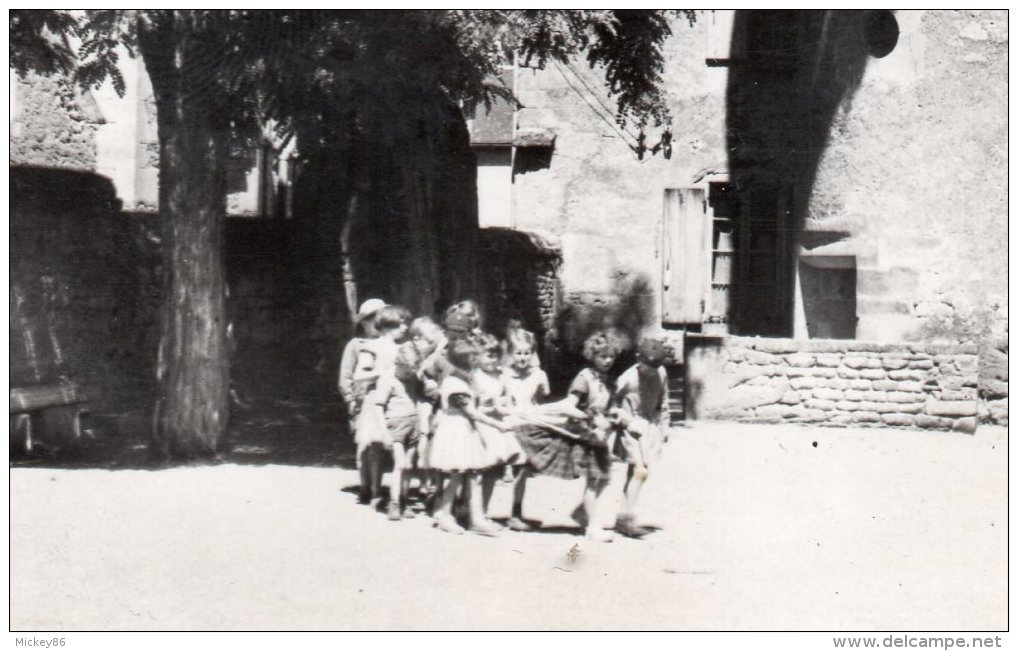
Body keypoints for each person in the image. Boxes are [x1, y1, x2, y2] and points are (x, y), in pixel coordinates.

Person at [514, 331, 619, 542]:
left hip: (598, 435)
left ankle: (582, 512)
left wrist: (612, 417)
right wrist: (588, 418)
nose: (608, 360)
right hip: (583, 434)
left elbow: (607, 405)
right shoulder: (585, 378)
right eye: (603, 356)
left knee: (605, 478)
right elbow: (568, 406)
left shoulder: (606, 379)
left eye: (611, 356)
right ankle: (592, 527)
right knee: (594, 479)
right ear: (592, 356)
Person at [428, 338, 505, 536]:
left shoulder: (465, 379)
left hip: (465, 430)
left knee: (474, 475)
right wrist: (497, 424)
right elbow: (471, 412)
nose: (478, 360)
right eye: (475, 357)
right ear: (466, 360)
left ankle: (476, 518)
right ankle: (446, 516)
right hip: (456, 431)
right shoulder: (454, 383)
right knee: (455, 476)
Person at [611, 337, 669, 538]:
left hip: (649, 429)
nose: (651, 372)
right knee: (640, 471)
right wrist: (624, 420)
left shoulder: (661, 374)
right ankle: (628, 518)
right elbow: (612, 403)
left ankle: (622, 517)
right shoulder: (627, 378)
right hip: (630, 427)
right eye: (648, 367)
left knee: (634, 472)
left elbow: (663, 402)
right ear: (638, 359)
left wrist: (664, 427)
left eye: (655, 367)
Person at [353, 305, 410, 508]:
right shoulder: (371, 347)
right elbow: (359, 376)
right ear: (388, 326)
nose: (406, 328)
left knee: (399, 446)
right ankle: (374, 491)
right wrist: (383, 372)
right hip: (375, 399)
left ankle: (399, 496)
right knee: (375, 446)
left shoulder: (403, 348)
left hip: (397, 400)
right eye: (401, 324)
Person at [368, 343, 429, 520]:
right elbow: (378, 407)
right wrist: (384, 433)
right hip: (395, 425)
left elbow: (419, 397)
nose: (410, 374)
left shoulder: (414, 377)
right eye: (408, 370)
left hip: (413, 422)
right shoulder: (387, 379)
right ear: (399, 363)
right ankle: (393, 503)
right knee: (400, 464)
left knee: (409, 465)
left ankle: (404, 500)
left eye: (413, 370)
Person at [471, 332, 525, 522]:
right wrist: (491, 407)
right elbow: (473, 408)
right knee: (484, 466)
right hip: (481, 424)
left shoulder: (501, 376)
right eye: (488, 355)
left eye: (495, 355)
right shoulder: (475, 377)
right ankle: (473, 510)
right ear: (476, 356)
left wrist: (506, 409)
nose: (492, 360)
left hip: (498, 424)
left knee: (504, 463)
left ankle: (491, 510)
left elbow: (507, 402)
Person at [338, 298, 385, 503]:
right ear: (363, 323)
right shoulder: (355, 345)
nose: (377, 324)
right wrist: (350, 400)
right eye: (372, 319)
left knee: (378, 446)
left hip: (383, 400)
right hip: (362, 400)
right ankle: (365, 485)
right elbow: (345, 376)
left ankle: (376, 489)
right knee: (363, 445)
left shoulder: (388, 343)